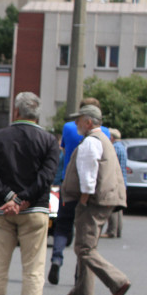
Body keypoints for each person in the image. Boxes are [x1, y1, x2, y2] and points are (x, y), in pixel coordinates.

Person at [0, 92, 58, 295]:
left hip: (2, 211)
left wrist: (9, 197)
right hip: (34, 211)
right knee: (33, 271)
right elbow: (46, 178)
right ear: (38, 114)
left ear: (16, 112)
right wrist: (24, 199)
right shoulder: (48, 140)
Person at [56, 105, 131, 295]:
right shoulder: (103, 139)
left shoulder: (90, 142)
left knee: (84, 248)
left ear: (88, 122)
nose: (76, 124)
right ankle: (82, 292)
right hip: (103, 200)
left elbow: (89, 176)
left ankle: (118, 282)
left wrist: (83, 200)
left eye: (78, 119)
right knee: (87, 246)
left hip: (92, 202)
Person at [48, 98, 110, 285]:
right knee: (86, 235)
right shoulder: (104, 132)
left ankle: (56, 259)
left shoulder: (68, 128)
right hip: (89, 191)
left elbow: (63, 151)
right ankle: (78, 275)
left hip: (69, 183)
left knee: (62, 226)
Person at [103, 129, 127, 238]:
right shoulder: (122, 147)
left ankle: (111, 231)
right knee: (118, 207)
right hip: (122, 180)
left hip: (115, 180)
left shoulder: (115, 148)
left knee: (112, 205)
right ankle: (118, 230)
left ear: (111, 138)